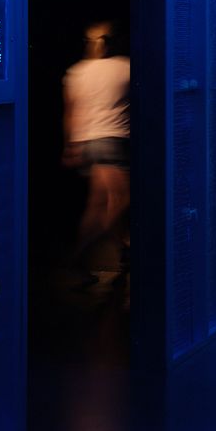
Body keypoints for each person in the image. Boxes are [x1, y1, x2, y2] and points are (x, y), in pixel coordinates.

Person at [62, 22, 131, 279]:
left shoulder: (77, 72)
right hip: (113, 141)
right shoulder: (124, 67)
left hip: (88, 143)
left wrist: (71, 145)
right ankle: (83, 255)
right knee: (121, 200)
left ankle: (118, 250)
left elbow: (71, 112)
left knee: (99, 203)